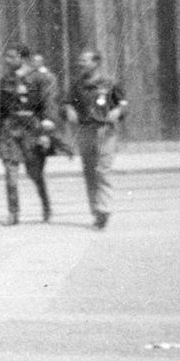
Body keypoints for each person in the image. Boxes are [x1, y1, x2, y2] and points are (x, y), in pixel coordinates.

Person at [0, 43, 59, 225]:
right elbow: (1, 109)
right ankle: (13, 213)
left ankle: (46, 206)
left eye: (11, 56)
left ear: (22, 58)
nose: (7, 60)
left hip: (31, 129)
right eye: (6, 56)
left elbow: (47, 104)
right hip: (10, 129)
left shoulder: (38, 78)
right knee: (10, 172)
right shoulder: (5, 79)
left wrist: (45, 132)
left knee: (35, 173)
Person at [66, 47, 127, 231]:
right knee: (89, 172)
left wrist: (118, 111)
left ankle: (104, 210)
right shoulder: (77, 84)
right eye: (81, 60)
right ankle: (96, 212)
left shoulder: (110, 83)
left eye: (85, 60)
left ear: (96, 62)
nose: (81, 63)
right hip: (85, 131)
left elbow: (123, 104)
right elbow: (67, 102)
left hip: (105, 131)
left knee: (102, 171)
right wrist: (68, 109)